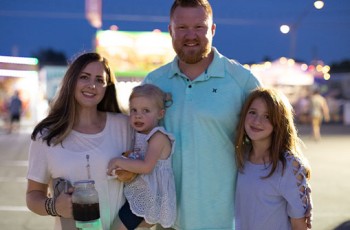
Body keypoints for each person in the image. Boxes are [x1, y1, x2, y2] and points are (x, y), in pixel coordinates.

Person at [143, 0, 261, 229]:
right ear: (170, 30)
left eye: (199, 27)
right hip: (168, 221)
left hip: (226, 220)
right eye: (182, 27)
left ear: (213, 30)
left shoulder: (243, 81)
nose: (191, 35)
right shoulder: (154, 82)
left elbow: (270, 141)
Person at [26, 52, 133, 230]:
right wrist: (54, 207)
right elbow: (33, 195)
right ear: (71, 81)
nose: (92, 85)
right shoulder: (45, 136)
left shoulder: (125, 126)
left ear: (107, 87)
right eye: (84, 77)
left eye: (99, 80)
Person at [235, 88, 312, 230]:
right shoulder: (240, 157)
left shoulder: (289, 165)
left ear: (279, 122)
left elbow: (300, 226)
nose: (257, 121)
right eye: (252, 113)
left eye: (267, 116)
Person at [107, 84, 176, 230]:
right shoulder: (140, 135)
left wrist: (118, 161)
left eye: (146, 111)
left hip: (150, 198)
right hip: (141, 194)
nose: (138, 115)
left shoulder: (158, 137)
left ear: (160, 114)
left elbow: (146, 167)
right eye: (134, 110)